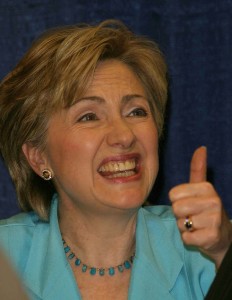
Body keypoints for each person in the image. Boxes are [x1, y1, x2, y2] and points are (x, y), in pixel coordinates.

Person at [0, 19, 231, 300]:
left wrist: (224, 255)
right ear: (38, 158)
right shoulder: (6, 258)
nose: (124, 135)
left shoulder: (208, 248)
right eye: (89, 116)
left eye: (136, 112)